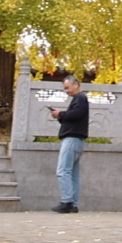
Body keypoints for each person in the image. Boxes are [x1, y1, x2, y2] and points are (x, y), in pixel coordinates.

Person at [49, 75, 88, 213]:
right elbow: (73, 118)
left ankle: (66, 201)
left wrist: (61, 114)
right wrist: (61, 116)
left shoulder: (80, 98)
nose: (66, 91)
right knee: (73, 174)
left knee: (63, 171)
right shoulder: (80, 99)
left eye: (67, 87)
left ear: (75, 84)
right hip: (77, 140)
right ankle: (74, 204)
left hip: (71, 139)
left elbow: (76, 114)